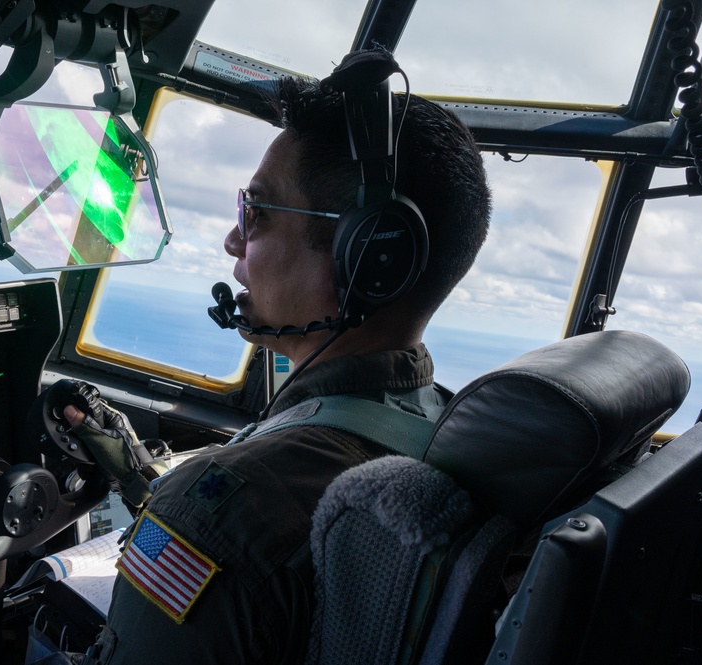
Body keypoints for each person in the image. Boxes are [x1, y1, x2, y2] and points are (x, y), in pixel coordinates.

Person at [68, 64, 492, 664]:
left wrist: (185, 504)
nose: (233, 241)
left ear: (369, 256)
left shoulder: (210, 520)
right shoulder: (448, 425)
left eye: (256, 211)